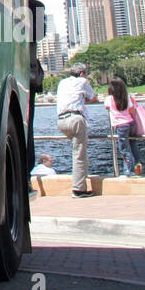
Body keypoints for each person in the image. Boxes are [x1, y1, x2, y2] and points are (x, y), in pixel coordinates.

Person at [56, 63, 99, 197]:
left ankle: (79, 185)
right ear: (81, 73)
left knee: (77, 152)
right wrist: (84, 100)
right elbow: (93, 97)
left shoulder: (62, 83)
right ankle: (79, 189)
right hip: (75, 119)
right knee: (79, 155)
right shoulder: (82, 81)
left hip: (61, 121)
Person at [104, 77, 143, 177]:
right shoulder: (127, 97)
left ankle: (129, 171)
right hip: (131, 124)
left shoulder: (109, 99)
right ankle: (137, 163)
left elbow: (106, 106)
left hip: (121, 126)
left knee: (125, 149)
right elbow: (131, 110)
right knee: (133, 144)